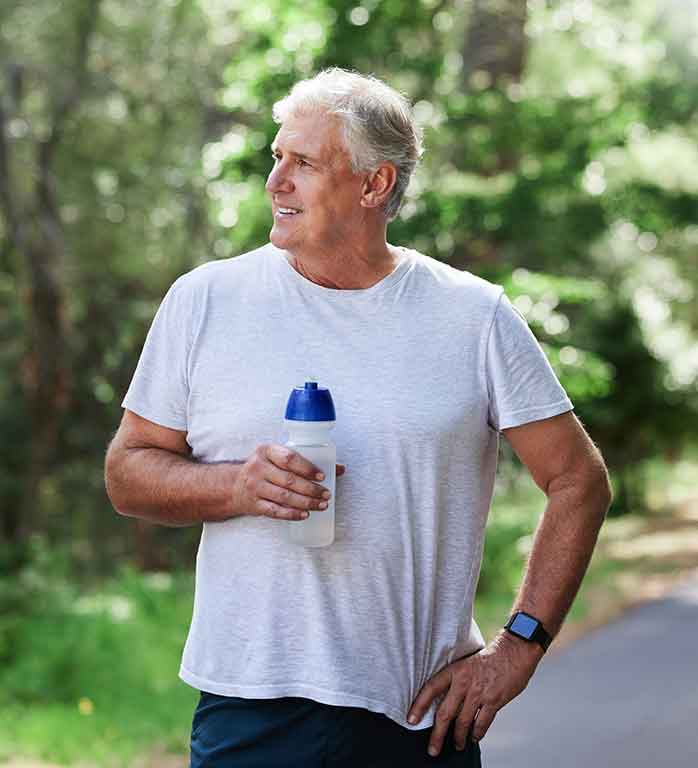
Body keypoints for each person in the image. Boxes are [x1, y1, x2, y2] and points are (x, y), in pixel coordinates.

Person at [105, 68, 612, 767]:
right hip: (251, 709)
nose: (275, 181)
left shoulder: (472, 316)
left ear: (375, 185)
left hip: (419, 719)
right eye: (276, 157)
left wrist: (518, 647)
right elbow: (128, 473)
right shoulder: (204, 302)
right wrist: (236, 488)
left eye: (304, 163)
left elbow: (578, 481)